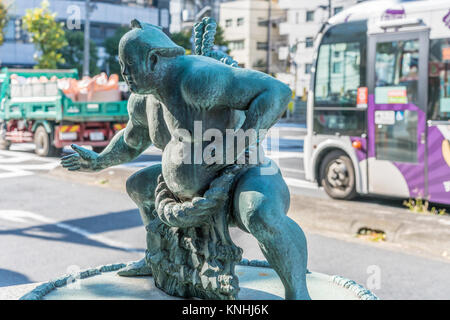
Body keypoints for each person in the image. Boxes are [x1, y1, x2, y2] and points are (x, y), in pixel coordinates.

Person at [61, 19, 310, 300]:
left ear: (153, 60)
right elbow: (131, 141)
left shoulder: (198, 79)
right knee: (139, 185)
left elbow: (276, 92)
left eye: (129, 65)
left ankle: (297, 291)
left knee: (261, 215)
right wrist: (98, 160)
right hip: (181, 191)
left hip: (242, 174)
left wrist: (238, 142)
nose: (124, 73)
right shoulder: (143, 100)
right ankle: (156, 254)